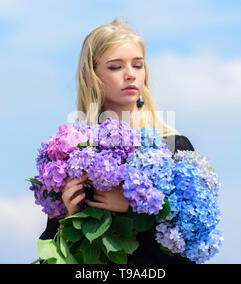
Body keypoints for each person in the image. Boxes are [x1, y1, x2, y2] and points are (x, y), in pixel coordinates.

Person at [39, 17, 195, 264]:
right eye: (115, 67)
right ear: (92, 77)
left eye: (138, 65)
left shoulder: (174, 146)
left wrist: (133, 208)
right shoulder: (72, 153)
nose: (130, 75)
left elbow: (188, 254)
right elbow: (52, 254)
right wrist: (68, 217)